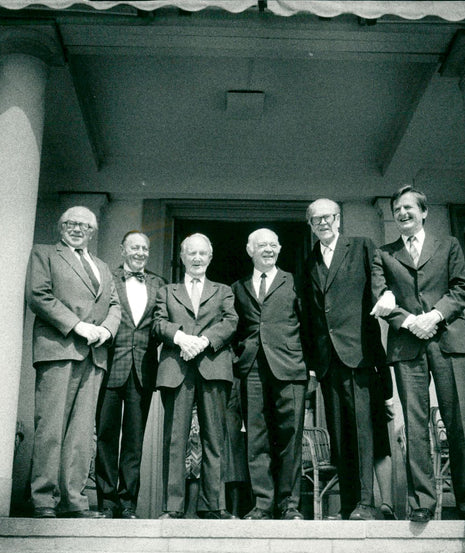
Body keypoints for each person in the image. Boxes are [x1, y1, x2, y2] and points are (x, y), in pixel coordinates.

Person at [370, 185, 465, 524]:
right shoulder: (384, 253)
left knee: (459, 421)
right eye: (397, 209)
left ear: (424, 212)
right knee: (416, 423)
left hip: (448, 341)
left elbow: (461, 288)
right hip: (408, 345)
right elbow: (380, 295)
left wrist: (434, 316)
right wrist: (409, 322)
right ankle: (422, 502)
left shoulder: (448, 245)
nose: (402, 213)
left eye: (409, 207)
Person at [300, 199, 393, 521]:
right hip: (327, 360)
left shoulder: (363, 247)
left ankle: (367, 503)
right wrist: (312, 362)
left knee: (364, 432)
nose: (322, 223)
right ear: (310, 225)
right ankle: (349, 503)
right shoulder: (309, 260)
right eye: (316, 220)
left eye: (327, 217)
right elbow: (311, 315)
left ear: (338, 219)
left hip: (359, 355)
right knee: (340, 434)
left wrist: (386, 296)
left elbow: (380, 282)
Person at [26, 206, 121, 519]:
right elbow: (39, 295)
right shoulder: (45, 254)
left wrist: (106, 330)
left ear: (93, 232)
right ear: (60, 226)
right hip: (59, 348)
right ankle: (43, 500)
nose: (78, 229)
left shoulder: (103, 268)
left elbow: (115, 305)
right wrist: (77, 326)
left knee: (82, 432)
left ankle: (75, 501)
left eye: (85, 225)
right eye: (71, 223)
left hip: (94, 354)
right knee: (51, 427)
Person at [153, 233, 239, 519]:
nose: (197, 258)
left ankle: (213, 505)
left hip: (213, 366)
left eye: (203, 253)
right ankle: (173, 507)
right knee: (175, 439)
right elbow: (157, 322)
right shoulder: (167, 291)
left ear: (210, 258)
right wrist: (179, 338)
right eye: (192, 253)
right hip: (177, 368)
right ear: (182, 257)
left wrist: (202, 341)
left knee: (214, 438)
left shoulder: (223, 290)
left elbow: (230, 321)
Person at [231, 228, 308, 521]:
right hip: (252, 369)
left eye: (273, 244)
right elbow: (234, 328)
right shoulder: (238, 287)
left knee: (290, 437)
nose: (268, 249)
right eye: (261, 245)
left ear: (279, 249)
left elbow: (308, 325)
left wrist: (308, 366)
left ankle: (289, 504)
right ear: (250, 250)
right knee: (257, 438)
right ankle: (262, 504)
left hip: (290, 367)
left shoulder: (294, 281)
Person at [95, 231, 166, 519]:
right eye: (134, 247)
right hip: (110, 367)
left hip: (143, 369)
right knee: (106, 437)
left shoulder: (158, 283)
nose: (140, 252)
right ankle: (107, 502)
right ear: (122, 249)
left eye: (145, 248)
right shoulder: (106, 278)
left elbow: (160, 323)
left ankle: (128, 504)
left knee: (134, 441)